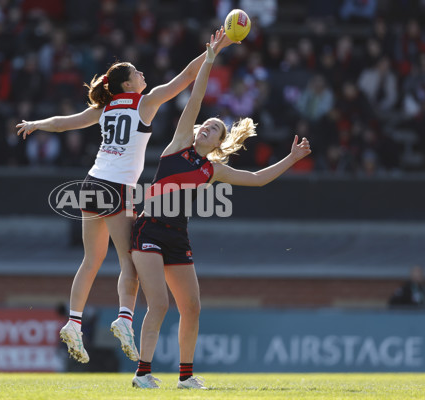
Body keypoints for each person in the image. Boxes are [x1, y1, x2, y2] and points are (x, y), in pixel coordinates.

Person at [16, 28, 238, 364]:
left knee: (90, 260)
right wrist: (214, 50)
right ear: (127, 84)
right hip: (117, 189)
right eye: (137, 72)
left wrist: (36, 122)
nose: (142, 73)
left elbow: (63, 124)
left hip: (91, 183)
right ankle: (123, 319)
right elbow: (188, 77)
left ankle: (74, 322)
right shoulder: (145, 103)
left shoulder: (104, 109)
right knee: (129, 263)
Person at [129, 43, 311, 389]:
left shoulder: (213, 169)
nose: (206, 128)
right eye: (206, 125)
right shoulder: (179, 144)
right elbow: (195, 100)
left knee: (193, 308)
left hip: (177, 235)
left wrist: (291, 160)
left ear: (217, 144)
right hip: (149, 228)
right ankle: (143, 374)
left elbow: (257, 180)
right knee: (159, 303)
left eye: (213, 129)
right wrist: (209, 59)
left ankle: (185, 377)